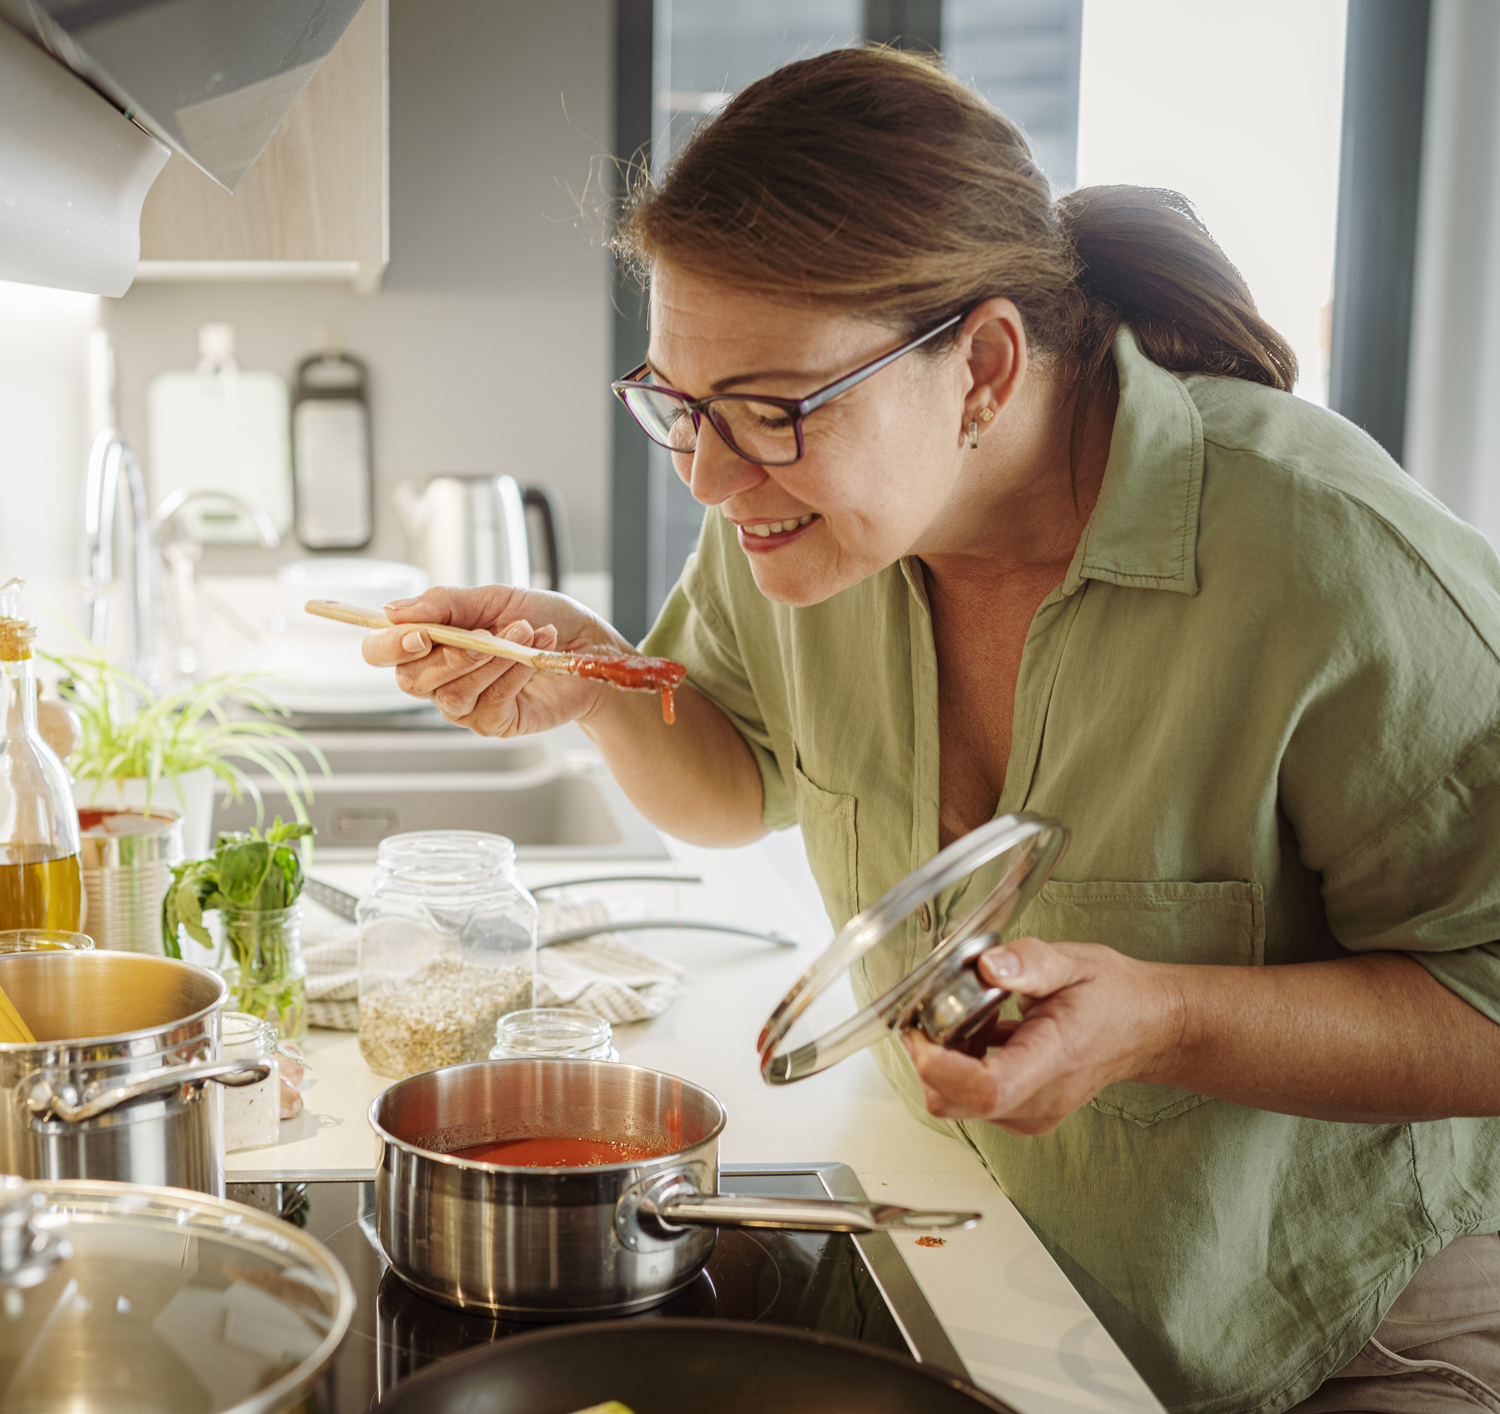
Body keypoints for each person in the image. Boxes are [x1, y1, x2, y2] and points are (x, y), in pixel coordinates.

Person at [362, 45, 1500, 1414]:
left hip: (1349, 1319)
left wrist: (1167, 1018)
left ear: (983, 366)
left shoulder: (1333, 561)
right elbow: (742, 777)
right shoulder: (791, 520)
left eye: (775, 410)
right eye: (680, 406)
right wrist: (601, 678)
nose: (716, 477)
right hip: (1016, 1255)